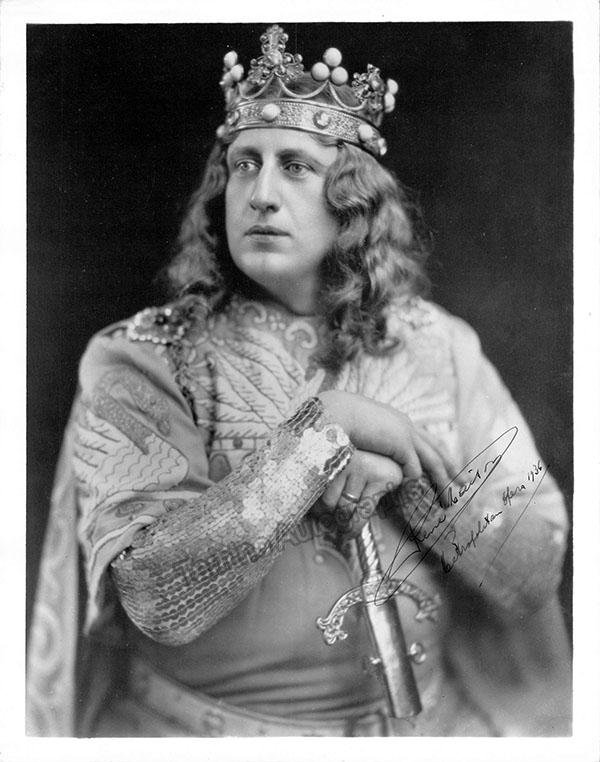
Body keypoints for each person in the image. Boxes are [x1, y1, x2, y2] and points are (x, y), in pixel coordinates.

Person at [26, 24, 571, 737]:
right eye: (244, 165)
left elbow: (535, 571)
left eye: (295, 167)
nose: (261, 194)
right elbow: (156, 595)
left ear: (354, 201)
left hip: (433, 732)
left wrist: (401, 477)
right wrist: (322, 435)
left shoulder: (438, 345)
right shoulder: (145, 358)